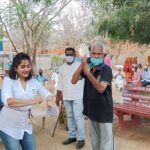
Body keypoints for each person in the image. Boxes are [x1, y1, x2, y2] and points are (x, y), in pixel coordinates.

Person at [0, 52, 53, 150]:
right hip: (9, 126)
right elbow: (9, 101)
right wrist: (32, 101)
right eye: (23, 67)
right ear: (15, 68)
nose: (26, 69)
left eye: (28, 66)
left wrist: (49, 100)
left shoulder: (33, 82)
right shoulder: (8, 81)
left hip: (26, 126)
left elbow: (46, 93)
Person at [72, 42, 114, 150]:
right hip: (92, 112)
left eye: (98, 54)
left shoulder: (106, 69)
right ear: (90, 54)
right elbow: (73, 80)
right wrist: (82, 66)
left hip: (104, 113)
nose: (95, 56)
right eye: (93, 53)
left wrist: (88, 74)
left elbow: (101, 88)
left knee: (106, 146)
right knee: (95, 144)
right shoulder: (88, 67)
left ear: (103, 55)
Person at [56, 47, 85, 149]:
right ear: (65, 55)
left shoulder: (79, 67)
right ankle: (72, 136)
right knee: (69, 116)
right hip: (66, 96)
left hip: (78, 96)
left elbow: (84, 81)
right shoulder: (62, 68)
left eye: (71, 55)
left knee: (78, 116)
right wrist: (57, 97)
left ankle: (81, 138)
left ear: (74, 55)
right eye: (67, 55)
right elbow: (59, 84)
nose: (69, 56)